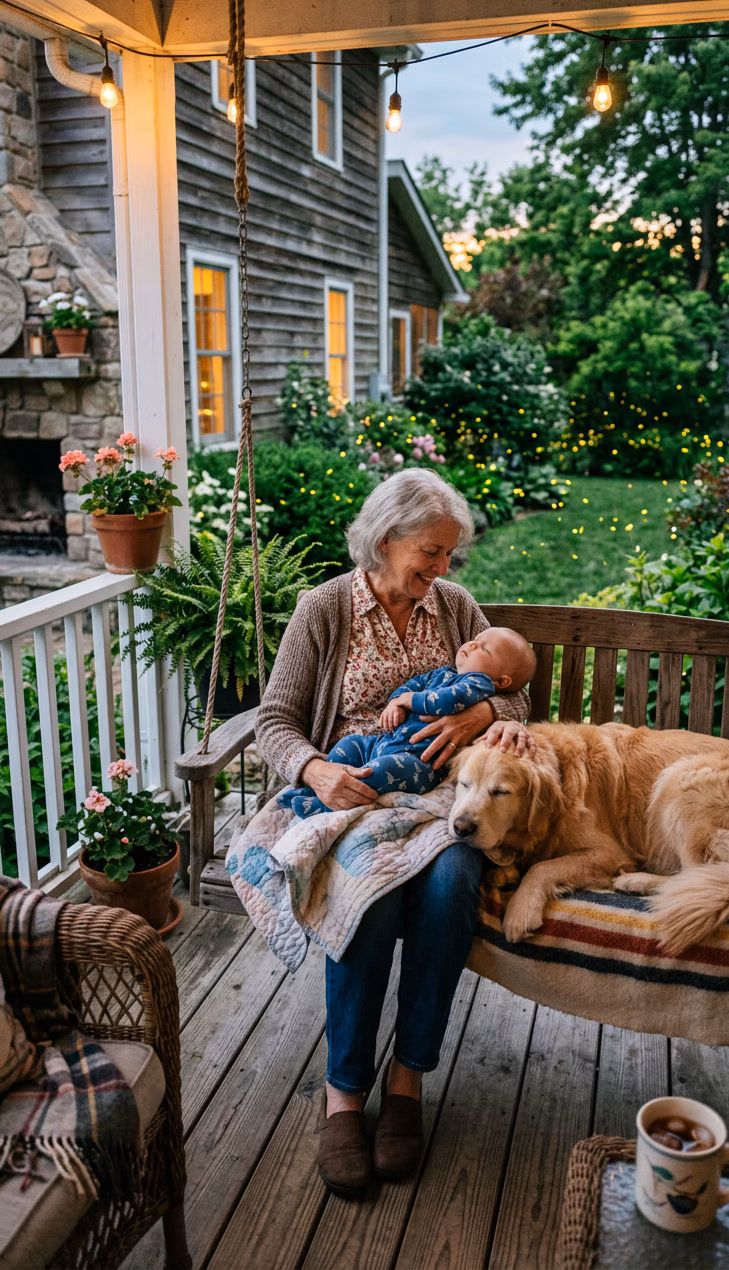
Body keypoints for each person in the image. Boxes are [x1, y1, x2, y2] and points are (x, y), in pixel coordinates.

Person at [253, 468, 536, 1197]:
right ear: (386, 541)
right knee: (367, 893)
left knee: (451, 881)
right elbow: (274, 721)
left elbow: (517, 696)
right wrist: (314, 771)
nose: (442, 570)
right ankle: (345, 1092)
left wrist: (482, 717)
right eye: (431, 554)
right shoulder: (324, 610)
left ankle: (407, 1079)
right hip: (351, 795)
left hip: (442, 801)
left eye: (448, 556)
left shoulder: (455, 606)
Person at [278, 626, 536, 819]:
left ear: (501, 682)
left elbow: (445, 701)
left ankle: (320, 808)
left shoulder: (478, 684)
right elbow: (410, 687)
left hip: (421, 761)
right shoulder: (443, 673)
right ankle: (315, 792)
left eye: (483, 648)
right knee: (350, 745)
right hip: (384, 741)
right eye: (475, 640)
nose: (470, 644)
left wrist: (487, 711)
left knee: (383, 770)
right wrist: (396, 701)